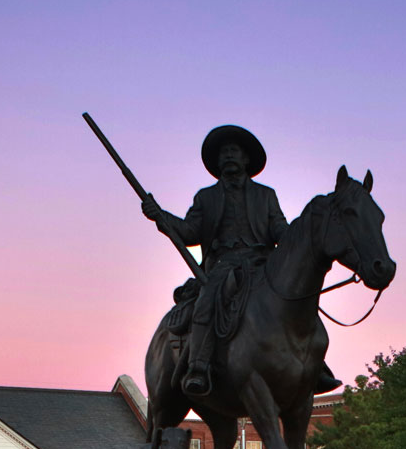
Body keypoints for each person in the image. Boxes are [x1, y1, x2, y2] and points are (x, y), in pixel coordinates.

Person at [141, 125, 340, 396]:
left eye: (234, 152)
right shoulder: (205, 197)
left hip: (262, 265)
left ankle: (315, 366)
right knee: (207, 301)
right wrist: (161, 216)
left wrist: (302, 236)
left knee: (297, 301)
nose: (228, 157)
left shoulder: (266, 195)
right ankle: (198, 366)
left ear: (246, 159)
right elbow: (189, 232)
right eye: (224, 153)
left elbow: (280, 231)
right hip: (222, 266)